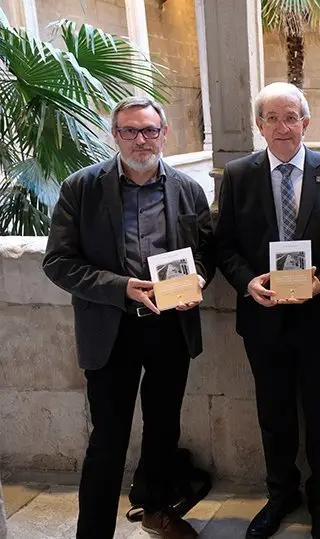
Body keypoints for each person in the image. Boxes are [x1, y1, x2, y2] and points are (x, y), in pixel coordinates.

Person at [42, 97, 215, 539]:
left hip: (170, 327)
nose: (141, 139)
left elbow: (205, 254)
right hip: (110, 328)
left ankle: (155, 508)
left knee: (163, 427)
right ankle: (93, 532)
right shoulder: (82, 188)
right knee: (108, 438)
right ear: (114, 135)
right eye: (130, 131)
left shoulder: (188, 189)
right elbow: (58, 262)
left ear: (164, 132)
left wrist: (199, 282)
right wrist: (121, 287)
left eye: (150, 130)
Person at [214, 82, 320, 539]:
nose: (283, 127)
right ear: (260, 126)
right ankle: (281, 494)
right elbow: (224, 244)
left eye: (291, 117)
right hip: (265, 319)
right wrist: (247, 282)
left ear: (306, 122)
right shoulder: (238, 175)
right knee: (273, 414)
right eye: (273, 118)